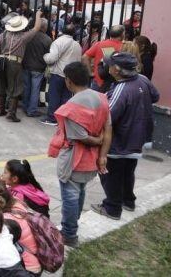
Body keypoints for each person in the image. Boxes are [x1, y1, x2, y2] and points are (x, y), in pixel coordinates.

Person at [47, 62, 111, 247]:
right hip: (92, 159)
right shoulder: (101, 98)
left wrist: (97, 141)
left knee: (70, 196)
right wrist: (103, 154)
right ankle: (72, 226)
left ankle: (69, 233)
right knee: (80, 191)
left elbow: (79, 136)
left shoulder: (72, 105)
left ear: (68, 81)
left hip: (74, 159)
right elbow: (108, 128)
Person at [92, 53, 158, 221]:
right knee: (128, 170)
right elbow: (155, 96)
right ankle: (128, 200)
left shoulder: (122, 89)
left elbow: (107, 116)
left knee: (110, 173)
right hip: (138, 137)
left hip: (121, 140)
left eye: (109, 65)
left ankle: (112, 207)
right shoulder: (142, 79)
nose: (107, 67)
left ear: (116, 70)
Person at [0, 11, 44, 122]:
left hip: (2, 61)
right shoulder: (23, 37)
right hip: (15, 64)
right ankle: (11, 114)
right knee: (15, 88)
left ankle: (0, 109)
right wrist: (38, 15)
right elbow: (37, 27)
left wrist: (0, 57)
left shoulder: (3, 34)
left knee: (1, 85)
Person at [41, 24, 82, 126]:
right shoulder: (77, 45)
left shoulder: (58, 41)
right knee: (66, 97)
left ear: (62, 31)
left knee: (54, 95)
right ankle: (62, 119)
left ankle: (52, 118)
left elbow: (51, 58)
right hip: (71, 75)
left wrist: (45, 56)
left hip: (59, 73)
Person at [82, 25, 124, 92]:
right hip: (115, 82)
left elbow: (85, 57)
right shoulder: (124, 47)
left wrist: (90, 72)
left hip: (98, 80)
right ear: (122, 34)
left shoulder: (100, 44)